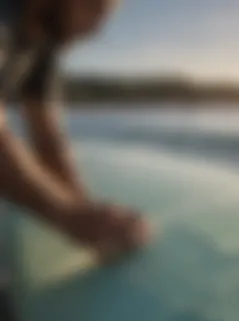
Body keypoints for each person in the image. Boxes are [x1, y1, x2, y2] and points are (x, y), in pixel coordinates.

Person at [0, 0, 151, 265]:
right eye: (95, 9)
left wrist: (87, 214)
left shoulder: (42, 46)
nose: (97, 30)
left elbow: (49, 139)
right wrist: (68, 216)